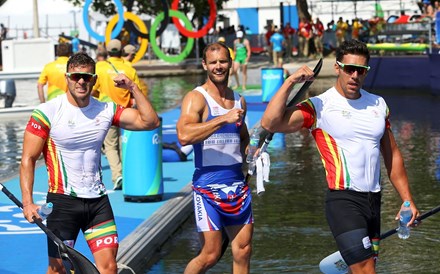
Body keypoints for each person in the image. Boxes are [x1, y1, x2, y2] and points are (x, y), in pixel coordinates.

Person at [261, 40, 420, 274]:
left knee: (367, 267)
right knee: (366, 270)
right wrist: (290, 82)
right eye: (349, 69)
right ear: (337, 68)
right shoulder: (320, 106)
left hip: (373, 201)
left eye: (361, 71)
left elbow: (393, 155)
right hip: (343, 201)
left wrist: (407, 199)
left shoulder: (378, 104)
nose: (354, 75)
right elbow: (270, 122)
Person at [20, 52, 160, 274]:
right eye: (76, 76)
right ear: (67, 77)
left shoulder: (105, 110)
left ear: (95, 79)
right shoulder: (47, 112)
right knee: (58, 270)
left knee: (109, 268)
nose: (81, 82)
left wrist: (133, 87)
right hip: (63, 203)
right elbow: (28, 159)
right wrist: (27, 203)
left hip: (97, 204)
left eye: (87, 77)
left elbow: (150, 121)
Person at [176, 42, 253, 274]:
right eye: (213, 62)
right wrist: (222, 119)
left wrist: (252, 154)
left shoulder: (239, 100)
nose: (218, 67)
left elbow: (242, 137)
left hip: (237, 186)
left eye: (223, 61)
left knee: (243, 250)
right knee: (210, 255)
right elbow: (183, 136)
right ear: (204, 65)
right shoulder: (196, 98)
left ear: (230, 63)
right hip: (207, 187)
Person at [92, 39, 142, 190]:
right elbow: (138, 92)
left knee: (110, 146)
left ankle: (117, 175)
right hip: (127, 113)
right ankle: (129, 173)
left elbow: (92, 90)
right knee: (124, 144)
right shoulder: (129, 68)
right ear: (122, 51)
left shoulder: (99, 67)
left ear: (107, 51)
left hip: (107, 112)